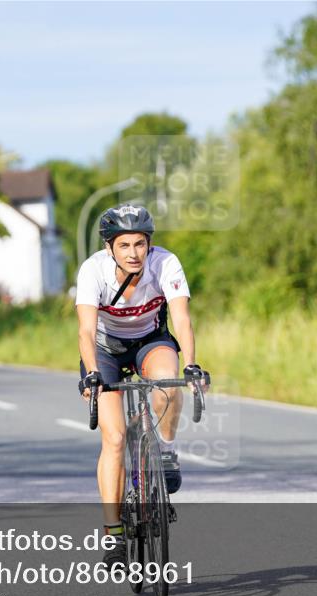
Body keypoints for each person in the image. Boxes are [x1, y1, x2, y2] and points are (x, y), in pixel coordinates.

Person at [75, 204, 208, 569]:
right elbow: (86, 331)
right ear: (109, 248)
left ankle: (165, 449)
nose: (134, 253)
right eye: (124, 246)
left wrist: (192, 364)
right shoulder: (93, 271)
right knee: (115, 439)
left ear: (149, 243)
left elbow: (180, 317)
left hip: (151, 340)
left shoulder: (165, 263)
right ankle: (113, 533)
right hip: (105, 351)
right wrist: (91, 374)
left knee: (168, 383)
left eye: (140, 244)